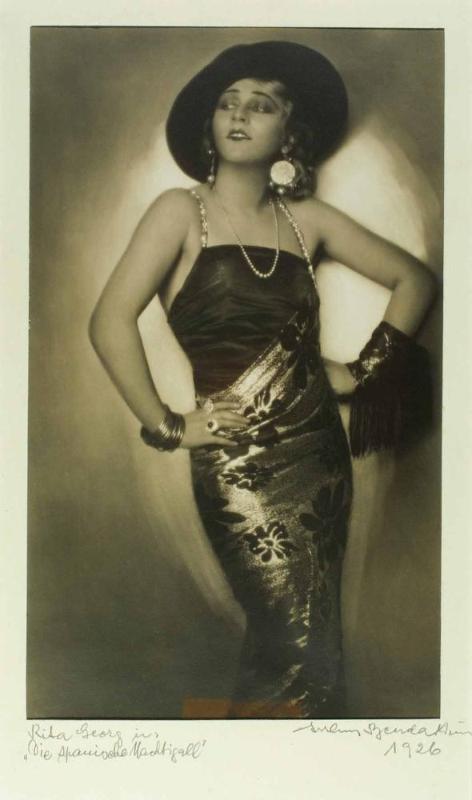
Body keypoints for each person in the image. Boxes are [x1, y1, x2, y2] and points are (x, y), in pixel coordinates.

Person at [88, 41, 436, 719]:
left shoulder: (307, 223)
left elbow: (415, 280)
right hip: (237, 463)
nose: (240, 115)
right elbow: (108, 322)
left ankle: (281, 763)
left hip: (318, 458)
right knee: (288, 637)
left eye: (262, 105)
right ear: (211, 125)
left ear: (290, 134)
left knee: (314, 640)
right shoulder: (179, 211)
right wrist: (169, 425)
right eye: (228, 103)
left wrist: (362, 371)